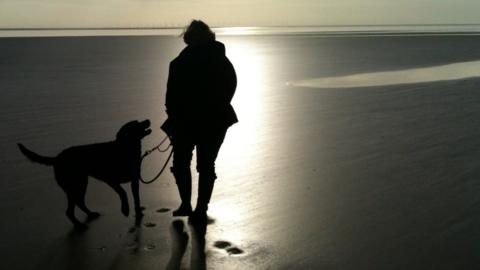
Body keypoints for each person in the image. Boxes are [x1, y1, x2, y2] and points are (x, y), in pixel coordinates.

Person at [161, 20, 238, 222]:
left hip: (200, 121)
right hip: (208, 121)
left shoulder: (180, 62)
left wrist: (175, 115)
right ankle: (193, 207)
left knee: (193, 164)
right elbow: (231, 86)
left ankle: (196, 207)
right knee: (198, 165)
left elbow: (171, 97)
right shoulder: (217, 60)